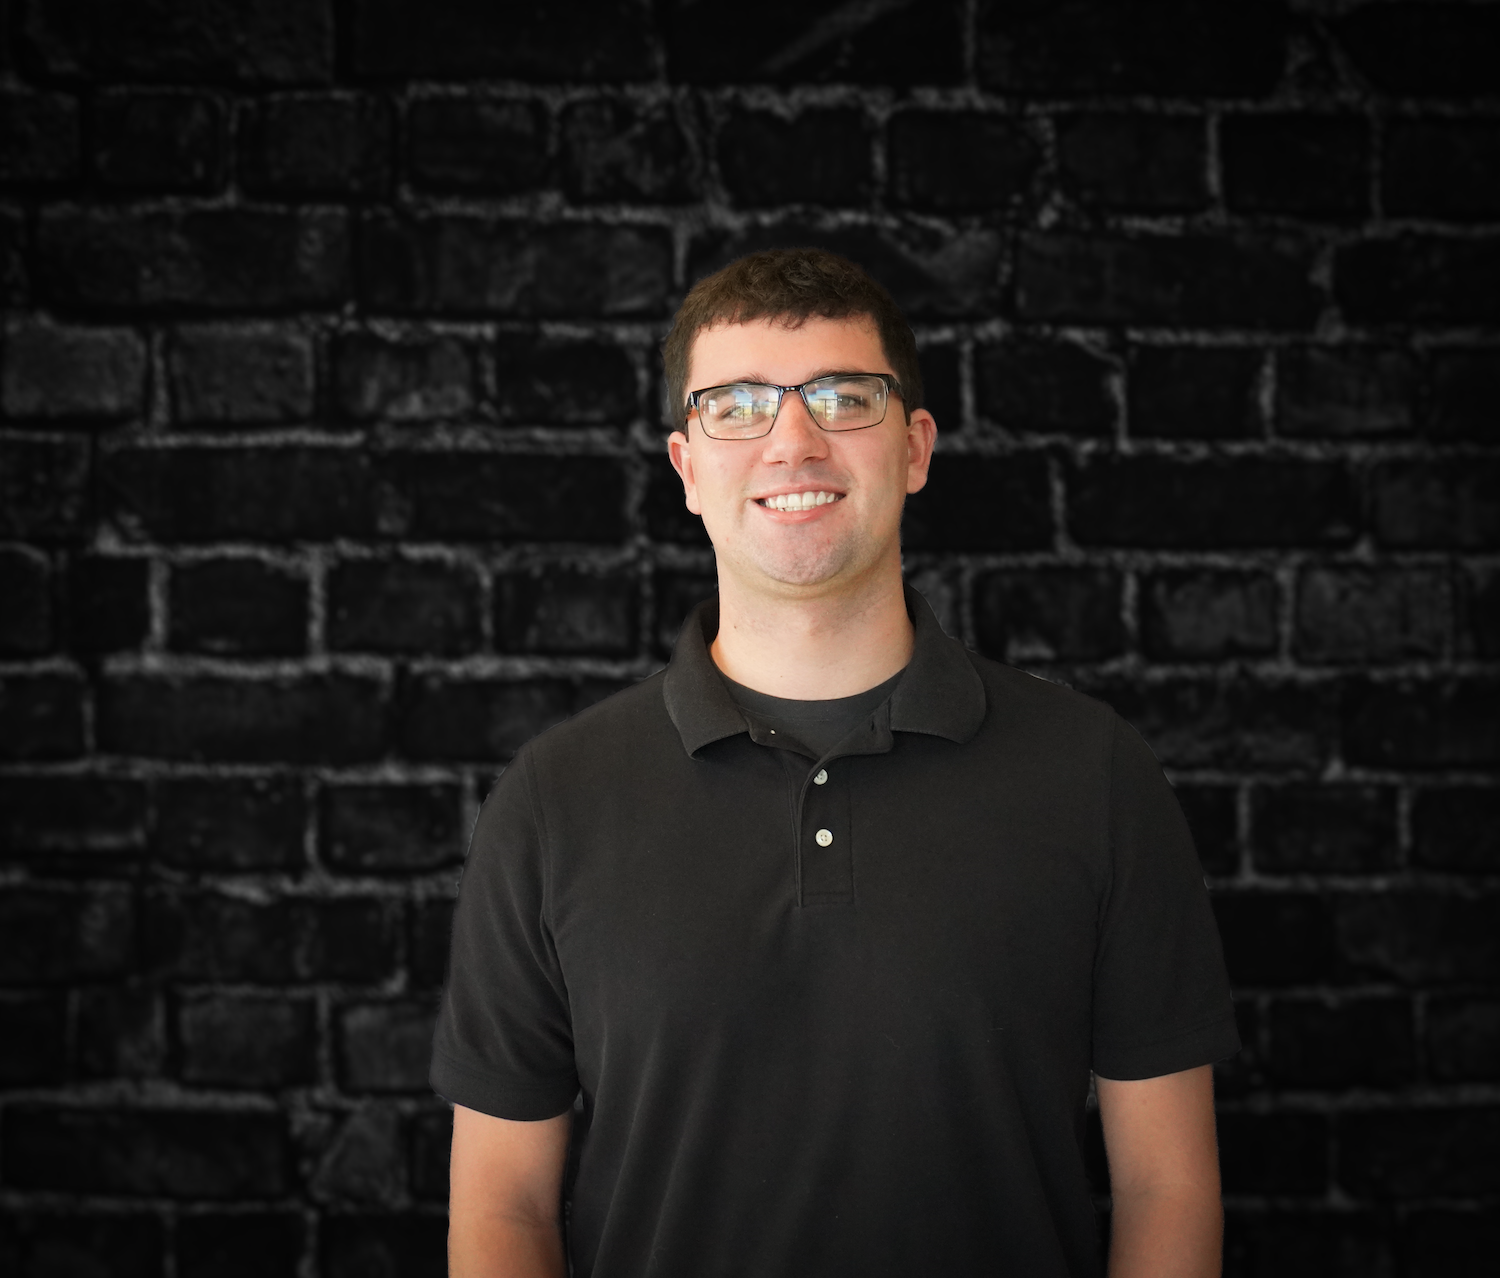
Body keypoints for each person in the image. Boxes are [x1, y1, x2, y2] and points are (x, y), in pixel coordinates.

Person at [432, 248, 1240, 1278]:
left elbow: (1167, 1188)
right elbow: (502, 1206)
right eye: (739, 406)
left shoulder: (1095, 774)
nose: (793, 441)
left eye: (841, 397)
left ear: (914, 448)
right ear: (686, 467)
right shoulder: (551, 799)